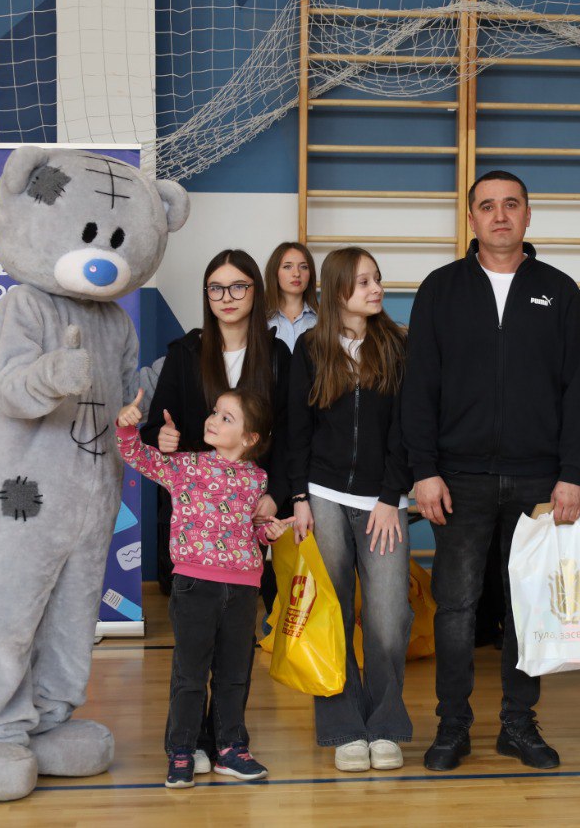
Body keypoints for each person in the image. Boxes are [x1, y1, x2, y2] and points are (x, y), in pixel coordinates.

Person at [402, 170, 580, 771]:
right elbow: (418, 389)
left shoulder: (559, 292)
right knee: (456, 607)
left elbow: (579, 393)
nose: (500, 215)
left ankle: (518, 724)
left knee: (527, 608)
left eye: (512, 205)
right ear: (472, 219)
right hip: (458, 479)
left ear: (528, 216)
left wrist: (572, 474)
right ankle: (452, 726)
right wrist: (424, 470)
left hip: (539, 480)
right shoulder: (440, 290)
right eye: (488, 206)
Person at [139, 248, 292, 773]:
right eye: (216, 288)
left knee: (233, 651)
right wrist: (160, 437)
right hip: (196, 524)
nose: (227, 297)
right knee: (194, 653)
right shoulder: (185, 351)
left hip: (251, 515)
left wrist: (278, 494)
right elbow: (153, 430)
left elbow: (291, 435)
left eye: (238, 286)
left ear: (256, 292)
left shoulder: (278, 355)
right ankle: (189, 744)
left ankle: (225, 742)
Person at [117, 386, 289, 789]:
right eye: (214, 412)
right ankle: (182, 749)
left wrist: (268, 534)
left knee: (234, 674)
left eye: (226, 418)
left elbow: (251, 531)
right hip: (195, 586)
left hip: (242, 591)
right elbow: (137, 455)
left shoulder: (258, 479)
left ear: (250, 438)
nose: (212, 420)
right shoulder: (186, 466)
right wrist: (126, 428)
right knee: (190, 675)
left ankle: (230, 747)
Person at [287, 247, 414, 772]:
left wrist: (389, 496)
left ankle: (384, 725)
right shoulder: (309, 350)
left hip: (384, 501)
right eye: (363, 281)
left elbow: (408, 429)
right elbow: (296, 430)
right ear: (337, 289)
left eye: (376, 279)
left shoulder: (399, 346)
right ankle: (343, 727)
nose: (375, 288)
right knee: (331, 614)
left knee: (388, 618)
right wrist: (299, 498)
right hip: (323, 496)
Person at [265, 241, 319, 351]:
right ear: (274, 272)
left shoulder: (322, 318)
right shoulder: (260, 317)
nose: (297, 274)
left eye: (304, 267)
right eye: (287, 267)